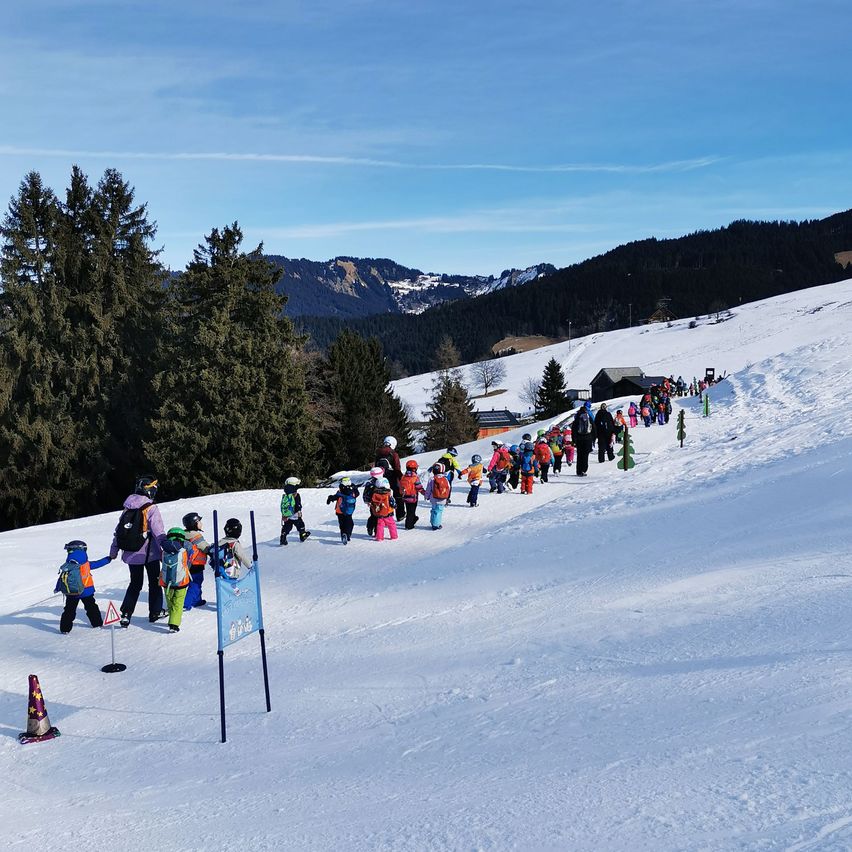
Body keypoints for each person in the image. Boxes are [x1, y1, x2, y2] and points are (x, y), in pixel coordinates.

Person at [111, 475, 166, 628]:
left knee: (135, 583)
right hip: (150, 554)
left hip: (131, 553)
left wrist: (113, 550)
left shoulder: (128, 507)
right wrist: (165, 548)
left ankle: (126, 614)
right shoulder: (151, 508)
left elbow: (120, 530)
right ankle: (155, 612)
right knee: (155, 583)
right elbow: (158, 531)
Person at [55, 540, 110, 634]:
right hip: (86, 591)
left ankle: (65, 629)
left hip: (72, 592)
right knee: (91, 607)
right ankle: (97, 624)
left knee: (69, 610)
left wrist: (57, 588)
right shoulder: (86, 564)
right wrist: (109, 559)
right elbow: (98, 563)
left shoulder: (68, 564)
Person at [159, 527, 194, 633]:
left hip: (166, 580)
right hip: (181, 580)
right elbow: (190, 560)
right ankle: (174, 624)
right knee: (178, 602)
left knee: (169, 600)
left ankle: (172, 616)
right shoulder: (187, 546)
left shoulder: (164, 548)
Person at [182, 512, 211, 610]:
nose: (201, 523)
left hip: (187, 564)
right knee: (195, 584)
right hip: (196, 565)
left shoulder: (184, 534)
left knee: (194, 583)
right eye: (199, 521)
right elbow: (205, 548)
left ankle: (197, 600)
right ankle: (186, 603)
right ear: (194, 523)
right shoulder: (196, 536)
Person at [375, 436, 405, 523]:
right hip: (392, 477)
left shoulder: (378, 453)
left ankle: (381, 514)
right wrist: (400, 478)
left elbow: (376, 466)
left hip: (381, 477)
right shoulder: (394, 454)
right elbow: (397, 468)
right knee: (398, 495)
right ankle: (400, 514)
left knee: (382, 495)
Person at [327, 476, 360, 544]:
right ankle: (348, 535)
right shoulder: (352, 491)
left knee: (342, 524)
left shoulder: (340, 491)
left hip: (339, 511)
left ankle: (343, 534)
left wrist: (329, 498)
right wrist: (354, 487)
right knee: (350, 523)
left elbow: (334, 497)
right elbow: (357, 494)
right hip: (348, 511)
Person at [280, 477, 310, 545]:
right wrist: (299, 511)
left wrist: (284, 514)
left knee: (287, 526)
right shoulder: (296, 495)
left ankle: (283, 535)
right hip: (295, 515)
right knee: (300, 524)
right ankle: (303, 535)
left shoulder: (285, 496)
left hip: (287, 514)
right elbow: (298, 504)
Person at [399, 460, 425, 529]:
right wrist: (425, 493)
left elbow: (401, 486)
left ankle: (414, 518)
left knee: (409, 510)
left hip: (405, 497)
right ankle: (409, 525)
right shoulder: (415, 477)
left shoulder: (403, 477)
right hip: (413, 498)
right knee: (411, 511)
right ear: (414, 468)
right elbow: (419, 487)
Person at [425, 463, 450, 529]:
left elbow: (428, 489)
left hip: (433, 498)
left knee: (434, 510)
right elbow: (448, 488)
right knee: (438, 511)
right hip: (442, 499)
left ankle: (433, 522)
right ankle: (436, 525)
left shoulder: (432, 479)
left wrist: (427, 496)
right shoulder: (445, 479)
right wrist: (447, 497)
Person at [572, 406, 595, 477]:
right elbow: (593, 428)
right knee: (585, 455)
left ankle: (579, 471)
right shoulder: (589, 418)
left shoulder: (577, 418)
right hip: (588, 439)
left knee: (579, 455)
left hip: (579, 439)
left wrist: (574, 440)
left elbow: (574, 430)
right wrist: (593, 438)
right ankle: (584, 470)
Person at [362, 466, 384, 537]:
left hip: (372, 503)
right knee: (379, 517)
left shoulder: (369, 482)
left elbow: (365, 493)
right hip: (380, 502)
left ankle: (370, 527)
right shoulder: (382, 481)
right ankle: (376, 531)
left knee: (373, 515)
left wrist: (367, 501)